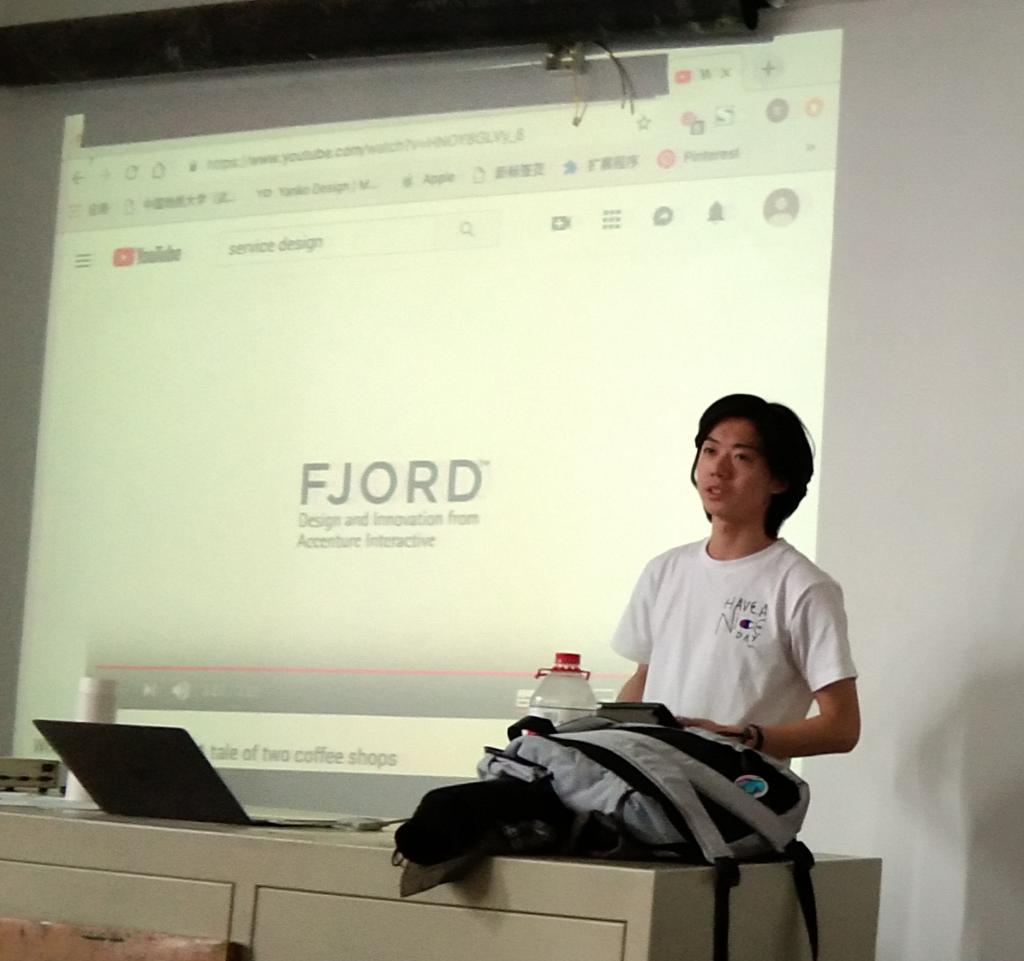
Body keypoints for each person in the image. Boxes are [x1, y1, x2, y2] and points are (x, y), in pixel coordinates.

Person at [612, 394, 859, 759]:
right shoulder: (664, 569)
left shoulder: (803, 587)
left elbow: (842, 727)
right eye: (710, 451)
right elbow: (644, 677)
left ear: (779, 480)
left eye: (742, 457)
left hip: (738, 787)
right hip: (654, 783)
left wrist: (744, 738)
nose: (718, 469)